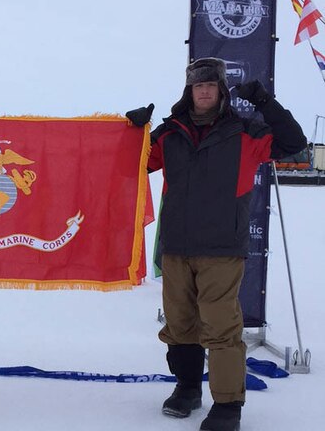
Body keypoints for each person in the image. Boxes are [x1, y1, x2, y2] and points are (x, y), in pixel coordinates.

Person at [126, 57, 306, 431]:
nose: (204, 91)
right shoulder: (170, 133)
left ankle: (227, 406)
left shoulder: (246, 132)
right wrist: (133, 131)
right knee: (180, 325)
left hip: (222, 249)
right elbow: (132, 163)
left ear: (221, 91)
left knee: (221, 328)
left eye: (210, 86)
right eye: (197, 85)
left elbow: (294, 143)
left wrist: (264, 101)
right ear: (188, 90)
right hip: (176, 247)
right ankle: (188, 388)